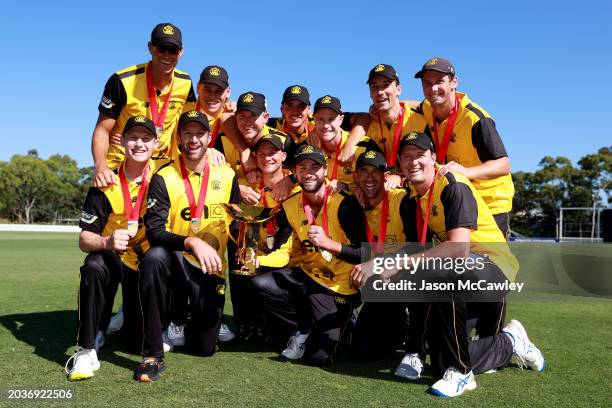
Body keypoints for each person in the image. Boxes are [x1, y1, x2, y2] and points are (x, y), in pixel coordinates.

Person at [351, 132, 544, 397]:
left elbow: (458, 248)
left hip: (494, 266)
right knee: (440, 358)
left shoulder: (454, 184)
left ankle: (462, 373)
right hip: (464, 276)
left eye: (419, 155)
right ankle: (510, 342)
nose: (413, 162)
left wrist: (397, 264)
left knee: (444, 267)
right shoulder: (415, 193)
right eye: (406, 156)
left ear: (433, 158)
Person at [133, 110, 240, 382]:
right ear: (179, 137)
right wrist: (191, 241)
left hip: (210, 268)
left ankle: (185, 318)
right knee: (154, 257)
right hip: (177, 263)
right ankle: (153, 353)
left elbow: (239, 225)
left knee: (205, 349)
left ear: (209, 137)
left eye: (200, 133)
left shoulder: (227, 175)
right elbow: (155, 232)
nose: (194, 139)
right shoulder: (164, 176)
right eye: (188, 133)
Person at [251, 144, 368, 366]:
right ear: (295, 173)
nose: (309, 173)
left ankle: (344, 323)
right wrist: (258, 261)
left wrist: (329, 244)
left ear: (325, 170)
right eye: (302, 168)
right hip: (308, 277)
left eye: (315, 167)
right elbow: (283, 253)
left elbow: (365, 253)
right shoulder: (289, 206)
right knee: (261, 283)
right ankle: (303, 329)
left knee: (318, 358)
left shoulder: (345, 203)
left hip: (339, 284)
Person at [65, 115, 161, 381]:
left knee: (132, 344)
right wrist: (106, 242)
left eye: (145, 139)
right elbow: (84, 239)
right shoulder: (104, 181)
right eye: (133, 138)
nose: (139, 144)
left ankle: (115, 323)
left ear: (156, 143)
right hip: (111, 257)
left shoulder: (163, 178)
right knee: (93, 265)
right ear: (123, 142)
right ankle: (86, 349)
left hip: (141, 261)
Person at [411, 57, 514, 237]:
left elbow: (503, 165)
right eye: (427, 83)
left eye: (439, 81)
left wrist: (465, 172)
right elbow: (412, 105)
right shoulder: (429, 108)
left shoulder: (475, 118)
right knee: (458, 260)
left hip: (490, 203)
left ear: (454, 82)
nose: (433, 88)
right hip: (459, 198)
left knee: (490, 261)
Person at [348, 150, 427, 380]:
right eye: (364, 171)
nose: (370, 177)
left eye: (376, 171)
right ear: (355, 177)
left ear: (386, 177)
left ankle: (416, 349)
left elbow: (421, 247)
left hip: (411, 276)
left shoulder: (403, 200)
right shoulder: (354, 206)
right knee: (361, 352)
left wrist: (382, 262)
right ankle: (399, 327)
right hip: (382, 284)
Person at [92, 23, 196, 188]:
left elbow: (190, 124)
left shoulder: (185, 82)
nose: (167, 55)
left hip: (163, 169)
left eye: (173, 50)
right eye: (162, 48)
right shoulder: (122, 80)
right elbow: (102, 130)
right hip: (122, 164)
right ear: (150, 47)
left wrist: (226, 107)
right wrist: (100, 166)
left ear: (181, 52)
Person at [227, 132, 299, 342]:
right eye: (262, 153)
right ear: (255, 157)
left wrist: (292, 178)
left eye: (273, 153)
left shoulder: (297, 186)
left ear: (284, 156)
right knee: (239, 253)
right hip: (258, 248)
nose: (267, 157)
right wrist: (238, 188)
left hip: (292, 258)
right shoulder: (244, 183)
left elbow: (323, 177)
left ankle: (290, 324)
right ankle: (247, 323)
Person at [338, 63, 425, 189]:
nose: (380, 91)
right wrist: (349, 145)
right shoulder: (368, 123)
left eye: (386, 85)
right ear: (370, 93)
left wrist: (400, 178)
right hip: (381, 189)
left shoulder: (420, 119)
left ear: (398, 89)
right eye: (375, 87)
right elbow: (331, 118)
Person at [311, 95, 381, 193]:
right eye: (320, 119)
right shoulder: (309, 147)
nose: (326, 125)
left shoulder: (365, 147)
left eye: (331, 119)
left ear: (341, 119)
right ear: (313, 119)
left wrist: (348, 188)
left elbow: (381, 183)